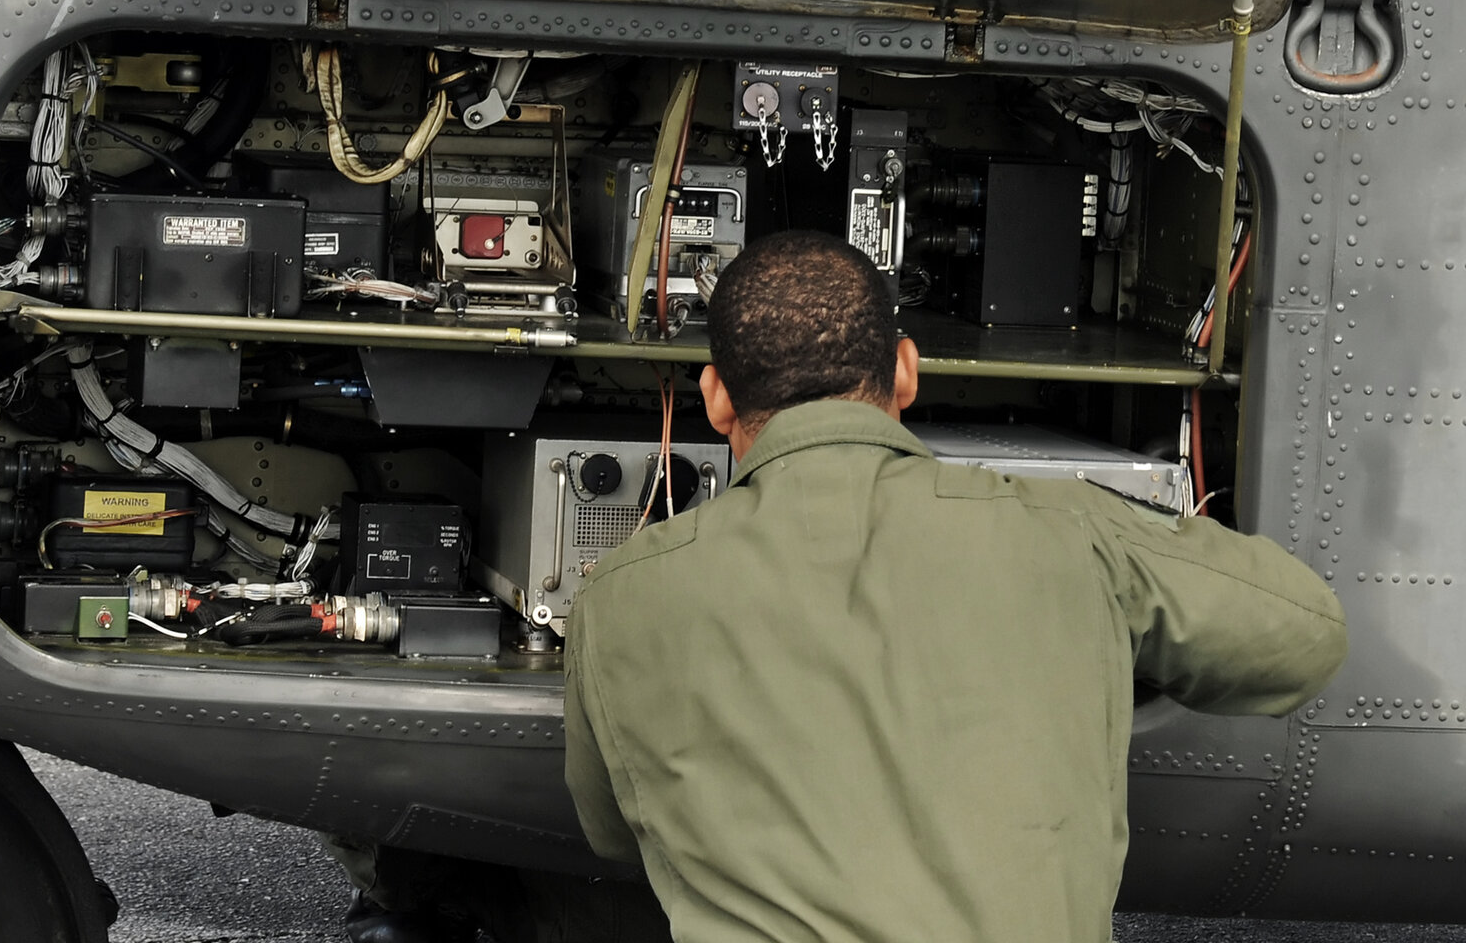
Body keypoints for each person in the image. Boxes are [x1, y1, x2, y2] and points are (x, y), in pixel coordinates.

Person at [563, 231, 1348, 943]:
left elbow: (612, 829)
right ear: (906, 372)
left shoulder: (620, 599)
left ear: (715, 397)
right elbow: (1306, 636)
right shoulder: (1069, 531)